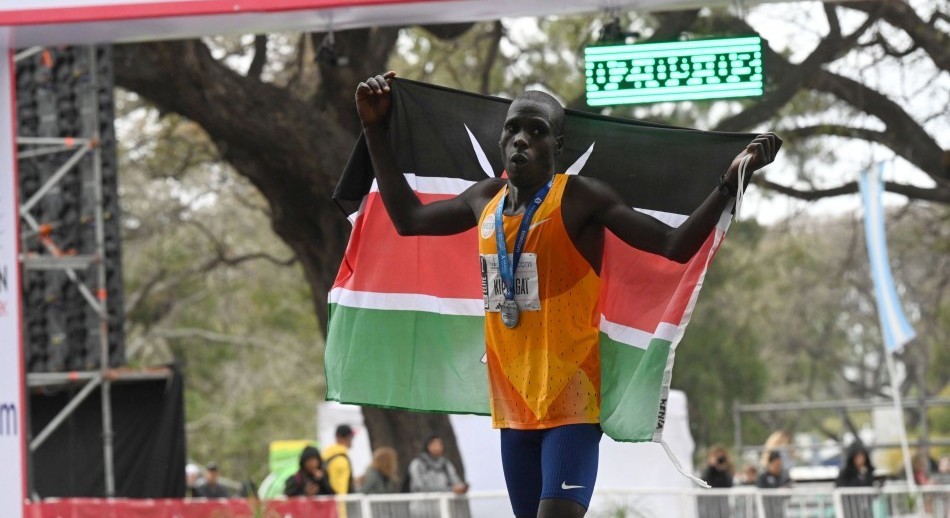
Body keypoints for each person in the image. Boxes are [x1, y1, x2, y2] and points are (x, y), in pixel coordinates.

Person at [355, 71, 781, 518]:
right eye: (513, 128)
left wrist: (728, 184)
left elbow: (673, 245)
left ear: (557, 145)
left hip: (572, 405)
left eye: (536, 131)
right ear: (501, 140)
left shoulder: (580, 198)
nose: (521, 139)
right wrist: (373, 129)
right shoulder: (484, 199)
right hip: (513, 407)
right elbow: (407, 219)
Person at [407, 434, 468, 518]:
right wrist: (449, 490)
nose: (437, 447)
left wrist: (461, 487)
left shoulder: (446, 464)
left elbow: (455, 480)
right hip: (422, 510)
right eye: (434, 444)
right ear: (428, 446)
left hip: (442, 509)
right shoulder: (417, 464)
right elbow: (420, 487)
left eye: (440, 444)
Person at [835, 443, 876, 518]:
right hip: (850, 508)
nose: (860, 460)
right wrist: (859, 478)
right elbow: (841, 487)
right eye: (858, 457)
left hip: (865, 508)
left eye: (862, 457)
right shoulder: (846, 473)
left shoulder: (868, 472)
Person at [699, 444, 734, 518]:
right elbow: (703, 483)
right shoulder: (708, 469)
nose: (719, 460)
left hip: (723, 505)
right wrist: (711, 467)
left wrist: (723, 470)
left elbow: (729, 484)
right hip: (709, 504)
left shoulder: (727, 470)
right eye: (717, 457)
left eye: (721, 457)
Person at [323, 424, 356, 495]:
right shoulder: (341, 460)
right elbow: (340, 487)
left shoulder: (328, 455)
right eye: (349, 437)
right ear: (340, 437)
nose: (351, 440)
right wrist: (342, 501)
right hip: (338, 500)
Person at [757, 451, 791, 518]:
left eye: (779, 465)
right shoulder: (763, 477)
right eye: (776, 464)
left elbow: (790, 487)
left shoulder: (784, 476)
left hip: (781, 510)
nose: (778, 467)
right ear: (770, 464)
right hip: (767, 510)